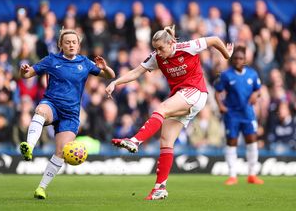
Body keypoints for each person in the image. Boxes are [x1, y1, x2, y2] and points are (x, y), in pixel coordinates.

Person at [105, 25, 233, 200]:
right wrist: (115, 82)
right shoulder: (157, 57)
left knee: (161, 108)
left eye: (161, 48)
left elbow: (215, 40)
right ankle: (160, 188)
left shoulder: (188, 46)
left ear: (171, 43)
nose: (158, 52)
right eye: (155, 48)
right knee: (166, 141)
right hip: (181, 96)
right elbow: (136, 72)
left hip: (196, 92)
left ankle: (135, 141)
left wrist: (227, 55)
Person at [19, 28, 115, 199]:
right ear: (60, 45)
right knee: (40, 110)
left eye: (74, 42)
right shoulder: (51, 60)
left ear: (79, 45)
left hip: (71, 114)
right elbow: (27, 75)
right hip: (52, 105)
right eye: (67, 42)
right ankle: (29, 147)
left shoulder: (84, 63)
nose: (71, 45)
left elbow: (110, 76)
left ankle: (41, 188)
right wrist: (23, 69)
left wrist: (105, 68)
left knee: (61, 151)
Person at [214, 45, 264, 185]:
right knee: (232, 142)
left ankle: (252, 175)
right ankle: (232, 175)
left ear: (245, 59)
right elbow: (217, 91)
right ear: (232, 59)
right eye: (235, 58)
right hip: (232, 114)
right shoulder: (226, 75)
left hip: (248, 114)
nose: (237, 60)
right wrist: (221, 106)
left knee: (252, 141)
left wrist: (255, 94)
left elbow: (258, 90)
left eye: (240, 58)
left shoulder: (252, 74)